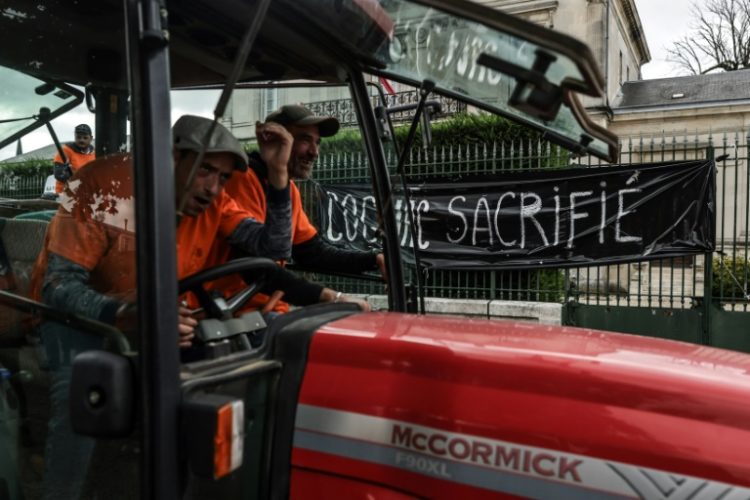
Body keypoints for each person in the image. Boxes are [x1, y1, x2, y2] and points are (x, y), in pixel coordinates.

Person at [30, 115, 295, 500]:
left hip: (150, 322)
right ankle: (61, 491)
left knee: (232, 365)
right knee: (82, 389)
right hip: (72, 322)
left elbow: (275, 251)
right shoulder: (99, 185)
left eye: (222, 177)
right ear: (169, 157)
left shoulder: (212, 202)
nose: (213, 187)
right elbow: (58, 287)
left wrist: (278, 172)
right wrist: (130, 315)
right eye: (205, 169)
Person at [208, 104, 386, 314]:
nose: (314, 152)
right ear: (273, 140)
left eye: (317, 143)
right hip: (236, 314)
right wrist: (330, 297)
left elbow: (312, 253)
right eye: (304, 140)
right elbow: (255, 266)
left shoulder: (289, 190)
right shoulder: (243, 179)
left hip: (268, 310)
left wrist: (374, 259)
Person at [52, 123, 96, 194]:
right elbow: (59, 174)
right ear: (74, 137)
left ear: (91, 138)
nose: (81, 140)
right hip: (65, 194)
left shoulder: (94, 153)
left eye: (85, 138)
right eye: (78, 137)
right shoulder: (65, 151)